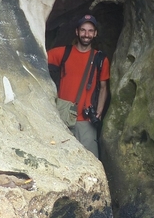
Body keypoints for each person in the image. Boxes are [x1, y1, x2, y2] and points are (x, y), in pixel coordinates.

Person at [47, 14, 110, 157]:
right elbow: (36, 58)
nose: (86, 34)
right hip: (63, 116)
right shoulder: (63, 53)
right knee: (60, 157)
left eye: (90, 31)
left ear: (95, 33)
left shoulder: (100, 59)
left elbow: (104, 87)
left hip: (86, 120)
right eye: (83, 30)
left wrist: (99, 112)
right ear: (77, 32)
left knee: (91, 159)